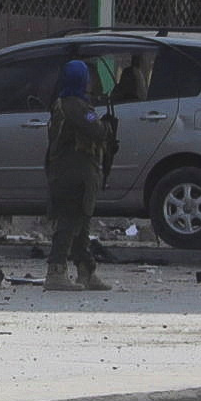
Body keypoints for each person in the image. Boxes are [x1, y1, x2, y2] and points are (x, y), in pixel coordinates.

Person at [43, 59, 114, 291]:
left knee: (80, 224)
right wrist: (107, 127)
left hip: (72, 171)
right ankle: (56, 271)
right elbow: (95, 128)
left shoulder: (69, 103)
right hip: (73, 172)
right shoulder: (75, 106)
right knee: (69, 221)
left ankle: (86, 270)